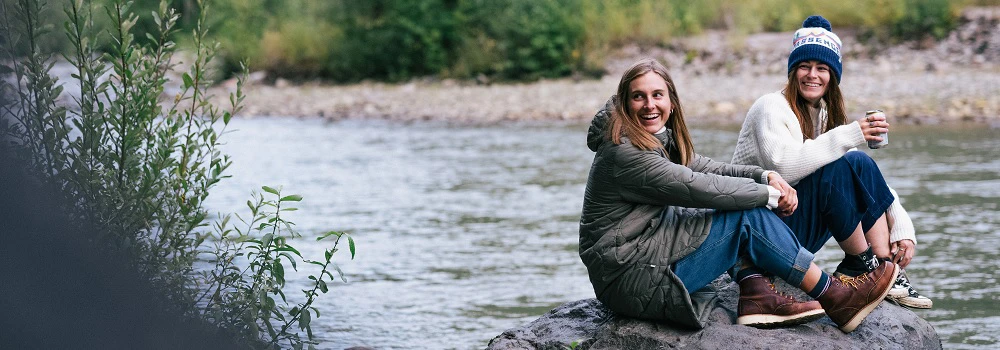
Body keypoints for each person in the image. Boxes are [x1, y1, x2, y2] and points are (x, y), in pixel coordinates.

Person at [579, 58, 898, 333]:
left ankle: (759, 294)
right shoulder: (626, 153)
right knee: (745, 213)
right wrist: (768, 195)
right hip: (631, 277)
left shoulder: (653, 138)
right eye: (639, 97)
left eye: (657, 95)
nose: (650, 104)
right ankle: (835, 296)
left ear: (671, 101)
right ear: (624, 102)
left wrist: (763, 176)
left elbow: (706, 168)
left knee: (740, 207)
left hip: (646, 259)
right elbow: (695, 187)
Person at [731, 15, 931, 309]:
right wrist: (851, 133)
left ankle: (885, 269)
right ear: (792, 71)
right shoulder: (770, 107)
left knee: (857, 163)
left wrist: (902, 227)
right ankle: (863, 265)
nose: (812, 75)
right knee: (843, 165)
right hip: (758, 237)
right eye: (804, 66)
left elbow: (863, 177)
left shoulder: (820, 115)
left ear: (832, 77)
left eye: (822, 68)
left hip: (792, 227)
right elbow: (785, 167)